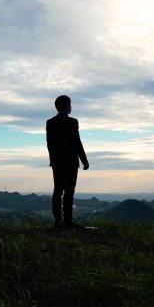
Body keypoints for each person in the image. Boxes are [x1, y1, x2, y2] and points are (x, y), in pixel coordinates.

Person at [46, 95, 89, 229]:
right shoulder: (72, 122)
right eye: (70, 104)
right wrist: (84, 161)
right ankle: (67, 221)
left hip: (57, 162)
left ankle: (57, 221)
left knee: (57, 191)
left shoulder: (50, 122)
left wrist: (52, 159)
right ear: (67, 106)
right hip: (70, 162)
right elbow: (77, 143)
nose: (71, 106)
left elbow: (49, 144)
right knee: (69, 191)